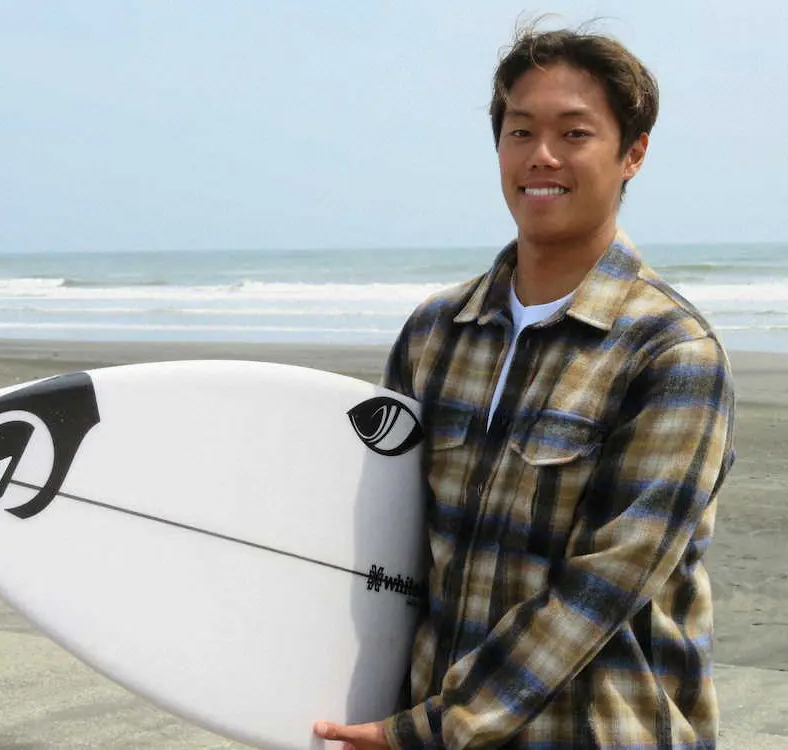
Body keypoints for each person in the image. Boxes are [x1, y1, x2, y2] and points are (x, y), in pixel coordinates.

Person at [314, 23, 736, 750]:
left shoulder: (671, 352)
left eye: (575, 133)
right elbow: (388, 551)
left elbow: (602, 587)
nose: (542, 155)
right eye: (520, 132)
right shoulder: (435, 332)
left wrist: (436, 728)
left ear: (633, 153)